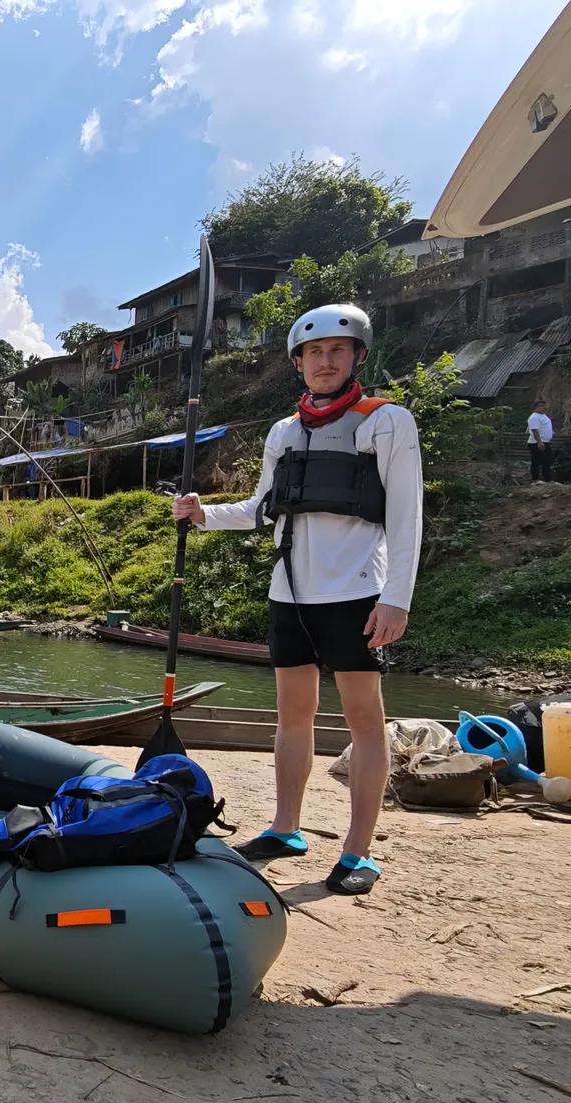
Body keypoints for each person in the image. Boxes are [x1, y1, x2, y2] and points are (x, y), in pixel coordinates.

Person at [172, 303, 421, 897]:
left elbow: (408, 516)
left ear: (358, 356)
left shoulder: (387, 423)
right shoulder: (284, 433)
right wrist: (204, 514)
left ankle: (357, 851)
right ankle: (286, 828)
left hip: (358, 594)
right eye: (314, 353)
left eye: (337, 350)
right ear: (299, 364)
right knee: (292, 715)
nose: (325, 361)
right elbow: (263, 508)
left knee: (364, 720)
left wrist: (397, 599)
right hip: (290, 595)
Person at [526, 400, 555, 483]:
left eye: (545, 405)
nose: (544, 407)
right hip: (536, 443)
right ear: (536, 408)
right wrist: (539, 442)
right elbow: (535, 430)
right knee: (537, 462)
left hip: (545, 442)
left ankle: (547, 479)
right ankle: (536, 479)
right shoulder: (534, 417)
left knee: (547, 461)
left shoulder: (544, 416)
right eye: (541, 406)